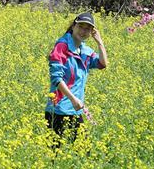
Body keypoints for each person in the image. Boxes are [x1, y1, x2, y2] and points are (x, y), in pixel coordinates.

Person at [45, 12, 108, 147]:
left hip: (74, 109)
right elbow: (56, 78)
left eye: (88, 29)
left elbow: (102, 64)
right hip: (58, 110)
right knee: (53, 154)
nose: (83, 31)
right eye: (81, 27)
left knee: (84, 151)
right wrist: (73, 99)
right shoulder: (62, 46)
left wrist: (100, 42)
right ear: (73, 26)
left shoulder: (84, 50)